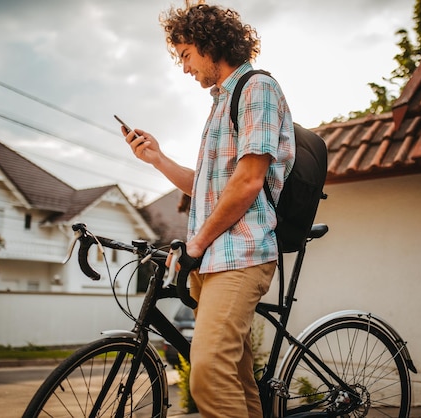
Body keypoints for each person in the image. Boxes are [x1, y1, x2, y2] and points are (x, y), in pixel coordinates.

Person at [123, 3, 295, 417]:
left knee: (207, 374)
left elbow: (250, 180)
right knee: (235, 378)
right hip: (211, 259)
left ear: (207, 44)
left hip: (239, 254)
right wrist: (157, 159)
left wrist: (195, 243)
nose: (183, 67)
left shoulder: (257, 88)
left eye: (184, 54)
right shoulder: (221, 103)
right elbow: (204, 186)